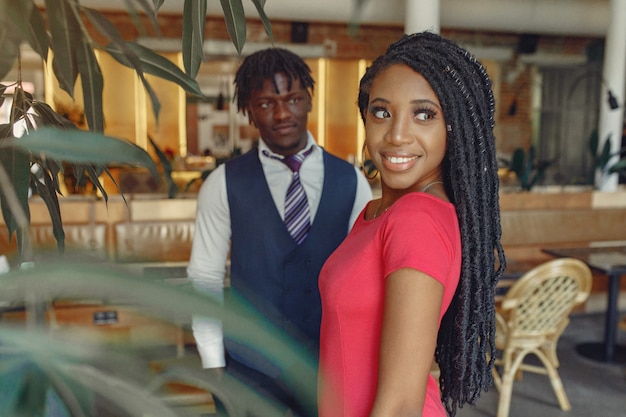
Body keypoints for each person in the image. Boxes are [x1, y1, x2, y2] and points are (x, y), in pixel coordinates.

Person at [318, 32, 506, 417]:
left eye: (424, 114)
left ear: (452, 127)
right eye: (382, 112)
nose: (398, 134)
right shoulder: (375, 214)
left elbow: (402, 405)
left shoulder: (416, 219)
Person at [187, 47, 372, 416]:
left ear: (308, 101)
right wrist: (212, 362)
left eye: (292, 99)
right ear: (249, 111)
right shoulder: (222, 184)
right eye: (267, 103)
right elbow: (204, 277)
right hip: (247, 366)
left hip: (327, 364)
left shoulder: (353, 182)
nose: (283, 113)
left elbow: (363, 281)